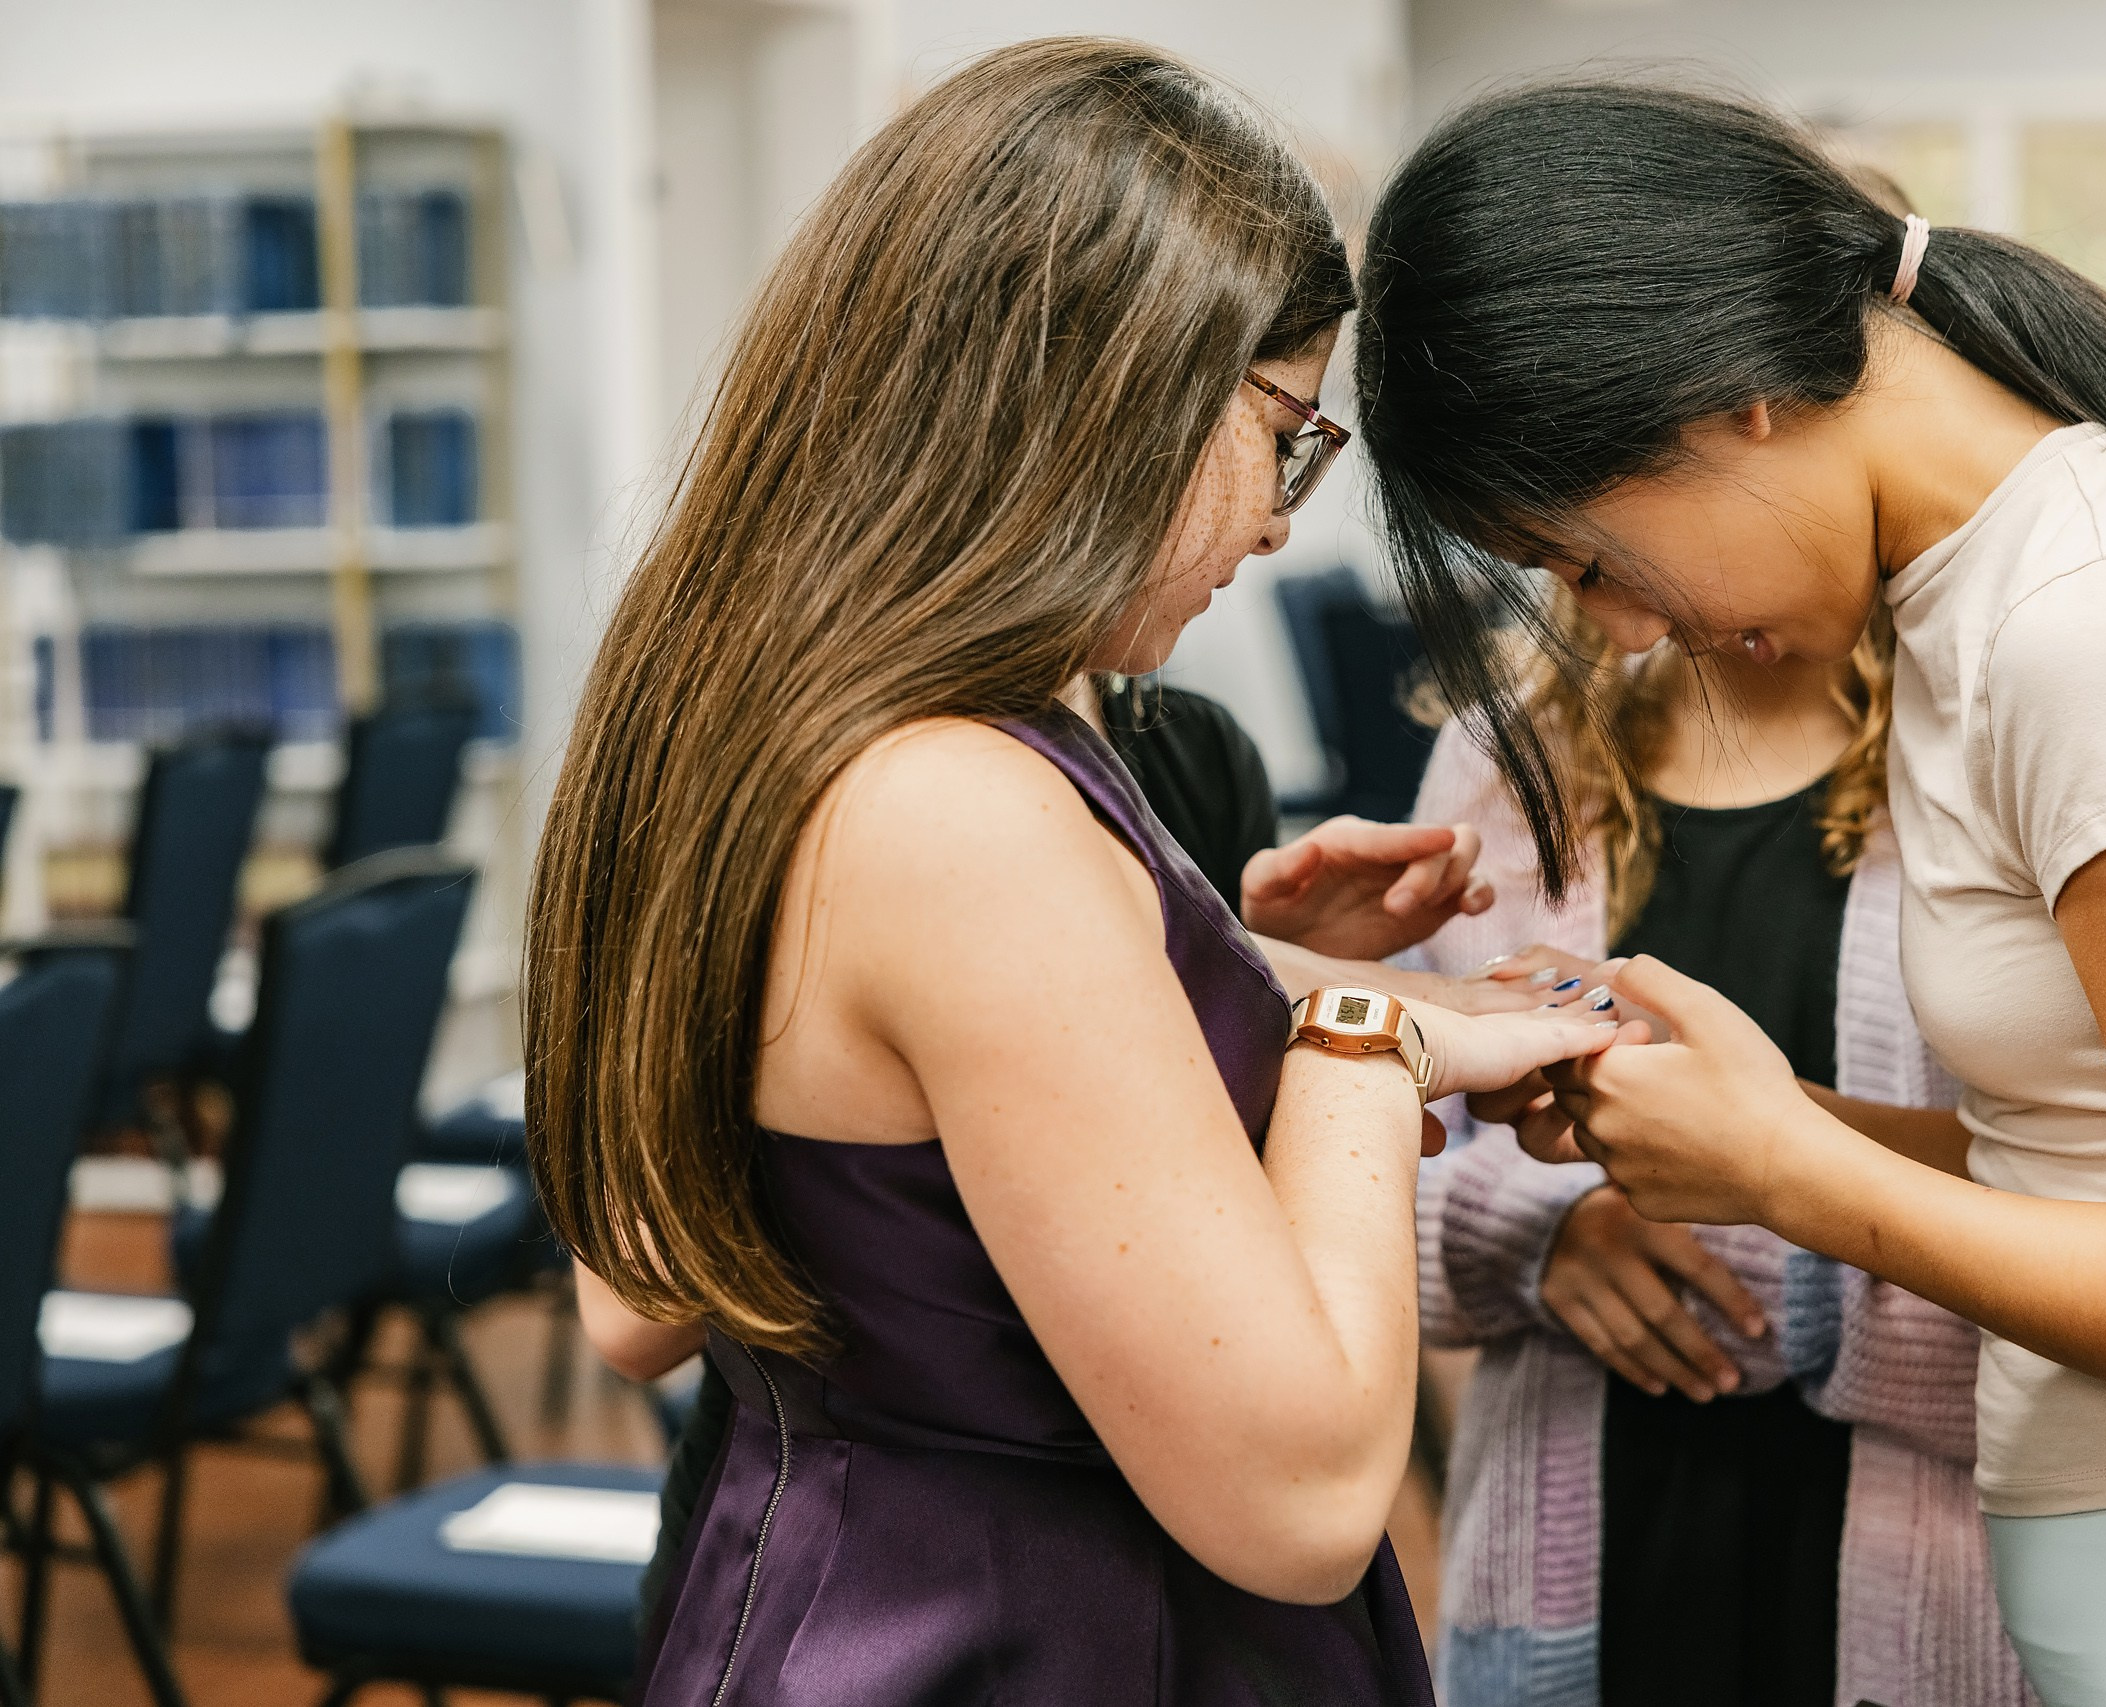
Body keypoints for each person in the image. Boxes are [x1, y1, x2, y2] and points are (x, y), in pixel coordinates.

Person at [1354, 77, 2106, 1704]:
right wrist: (1758, 1113)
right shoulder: (1979, 593)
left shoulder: (2093, 620)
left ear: (1725, 401)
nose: (1622, 629)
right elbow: (2090, 1169)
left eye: (1587, 558)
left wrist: (1784, 1169)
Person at [525, 41, 1616, 1706]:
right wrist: (1365, 1047)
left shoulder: (778, 717)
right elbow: (1307, 1496)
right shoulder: (959, 806)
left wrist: (1272, 982)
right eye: (1283, 434)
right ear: (1115, 391)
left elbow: (718, 1232)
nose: (1278, 522)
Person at [584, 672, 1532, 1637]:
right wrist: (1350, 1043)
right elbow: (632, 1309)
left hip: (1182, 1554)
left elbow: (1211, 1226)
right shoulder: (877, 782)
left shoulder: (1192, 753)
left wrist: (1244, 981)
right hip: (882, 1584)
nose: (1259, 546)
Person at [1408, 588, 2035, 1707]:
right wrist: (1535, 1232)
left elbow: (2091, 1213)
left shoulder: (1996, 743)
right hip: (1590, 1570)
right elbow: (1389, 1170)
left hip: (1925, 1573)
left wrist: (1784, 1267)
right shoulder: (1507, 759)